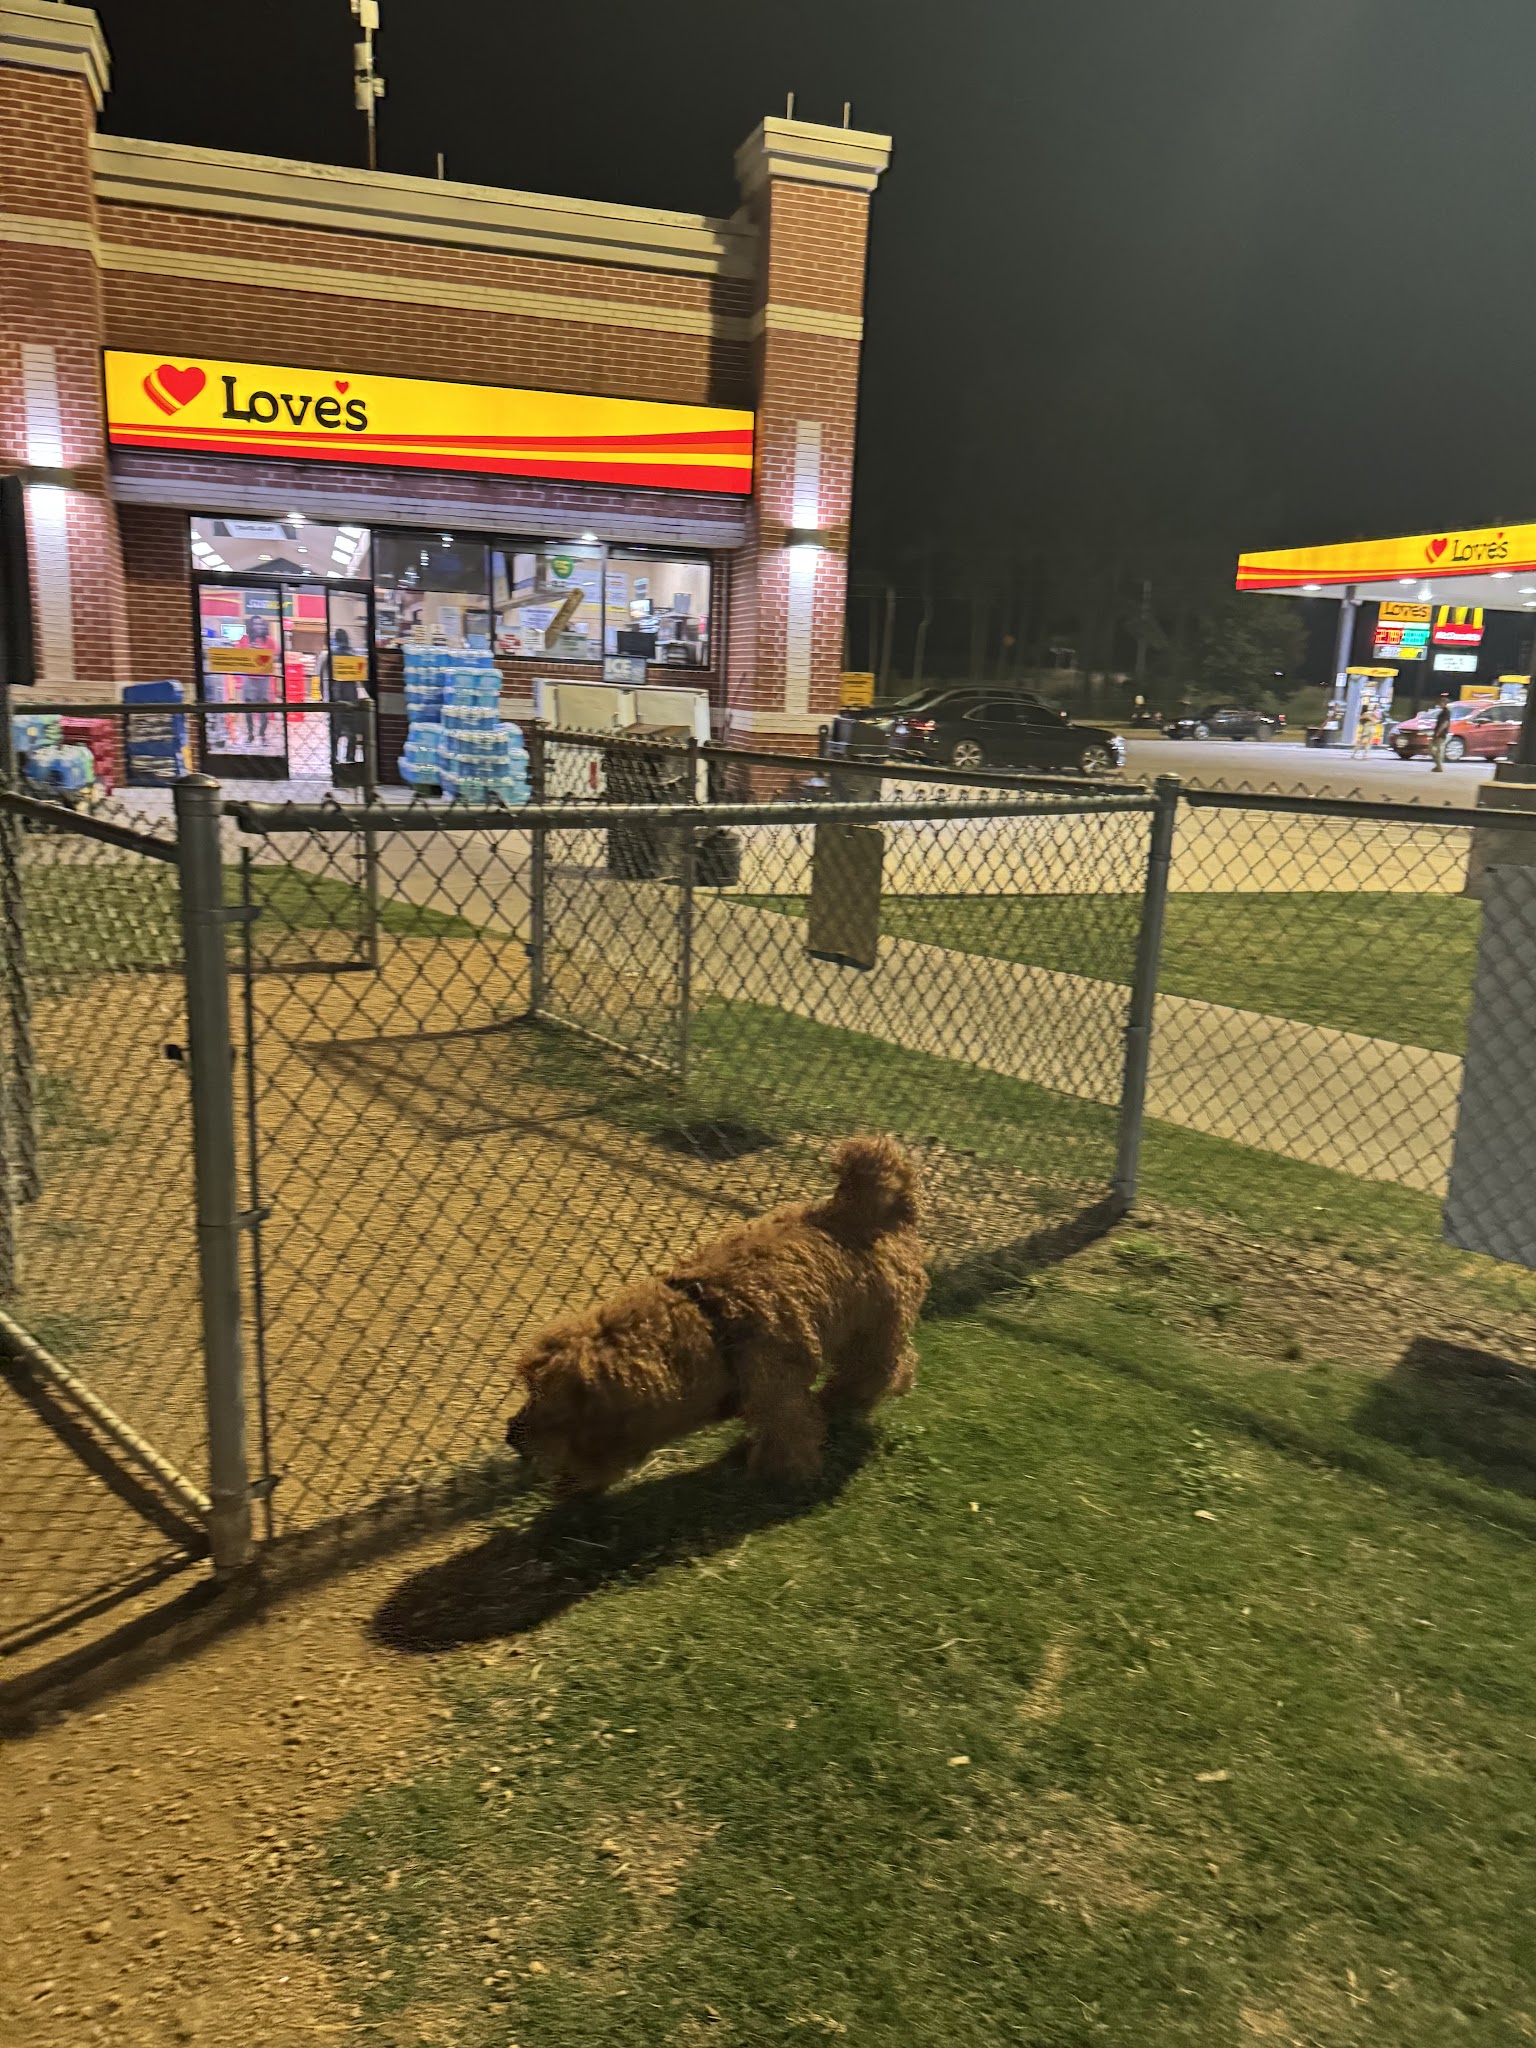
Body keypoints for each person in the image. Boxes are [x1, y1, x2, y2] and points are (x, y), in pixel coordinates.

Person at [1430, 693, 1452, 772]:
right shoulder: (1443, 711)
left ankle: (1439, 767)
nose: (1440, 703)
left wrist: (1438, 732)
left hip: (1441, 734)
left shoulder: (1446, 712)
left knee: (1437, 751)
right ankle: (1438, 766)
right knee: (1432, 750)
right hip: (1437, 733)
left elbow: (1445, 723)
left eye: (1442, 702)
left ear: (1445, 703)